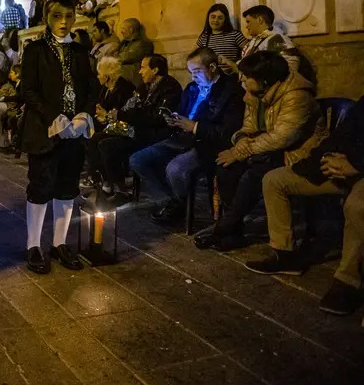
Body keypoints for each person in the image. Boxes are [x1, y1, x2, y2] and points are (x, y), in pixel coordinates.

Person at [245, 97, 364, 316]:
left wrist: (356, 165)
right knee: (275, 180)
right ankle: (285, 254)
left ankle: (348, 280)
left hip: (359, 171)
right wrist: (326, 158)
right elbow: (340, 137)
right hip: (341, 167)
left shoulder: (297, 95)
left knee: (358, 205)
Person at [201, 50, 321, 250]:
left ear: (263, 79)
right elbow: (247, 128)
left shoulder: (297, 95)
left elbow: (282, 138)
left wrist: (240, 152)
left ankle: (223, 228)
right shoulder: (255, 93)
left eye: (247, 77)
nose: (242, 81)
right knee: (226, 169)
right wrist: (240, 144)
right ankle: (234, 233)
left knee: (254, 175)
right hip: (262, 151)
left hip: (294, 154)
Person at [21, 0, 96, 274]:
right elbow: (28, 90)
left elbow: (91, 88)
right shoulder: (35, 50)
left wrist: (82, 115)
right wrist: (55, 117)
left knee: (67, 186)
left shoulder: (80, 52)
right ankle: (33, 245)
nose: (63, 22)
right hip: (44, 130)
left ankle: (59, 242)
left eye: (68, 16)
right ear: (46, 18)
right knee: (41, 186)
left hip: (74, 131)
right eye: (56, 16)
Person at [128, 47, 244, 226]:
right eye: (191, 72)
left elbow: (228, 131)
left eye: (197, 72)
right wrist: (173, 119)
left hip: (207, 143)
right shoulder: (191, 88)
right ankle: (171, 202)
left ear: (212, 67)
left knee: (175, 169)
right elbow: (183, 112)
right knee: (138, 159)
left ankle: (177, 205)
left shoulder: (230, 91)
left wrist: (196, 127)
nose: (193, 77)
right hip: (181, 138)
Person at [88, 54, 181, 200]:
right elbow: (129, 107)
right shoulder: (144, 87)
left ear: (155, 70)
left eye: (143, 68)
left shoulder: (170, 89)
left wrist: (121, 116)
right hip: (137, 129)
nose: (139, 72)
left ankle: (120, 190)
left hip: (153, 134)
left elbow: (158, 118)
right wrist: (117, 115)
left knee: (108, 145)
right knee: (97, 140)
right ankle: (106, 183)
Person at [196, 3, 248, 72]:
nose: (215, 20)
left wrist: (236, 65)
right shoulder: (204, 37)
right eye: (213, 17)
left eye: (220, 18)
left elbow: (249, 52)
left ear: (225, 20)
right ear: (208, 18)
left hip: (230, 77)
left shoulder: (235, 35)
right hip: (210, 77)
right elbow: (196, 57)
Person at [94, 56, 136, 125]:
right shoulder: (105, 88)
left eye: (99, 74)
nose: (97, 76)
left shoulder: (125, 89)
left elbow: (123, 116)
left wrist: (106, 115)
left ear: (106, 77)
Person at [117, 18, 154, 88]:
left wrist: (115, 57)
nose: (121, 31)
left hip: (134, 83)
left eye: (123, 28)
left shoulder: (143, 44)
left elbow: (124, 58)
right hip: (124, 82)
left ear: (131, 30)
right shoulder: (125, 43)